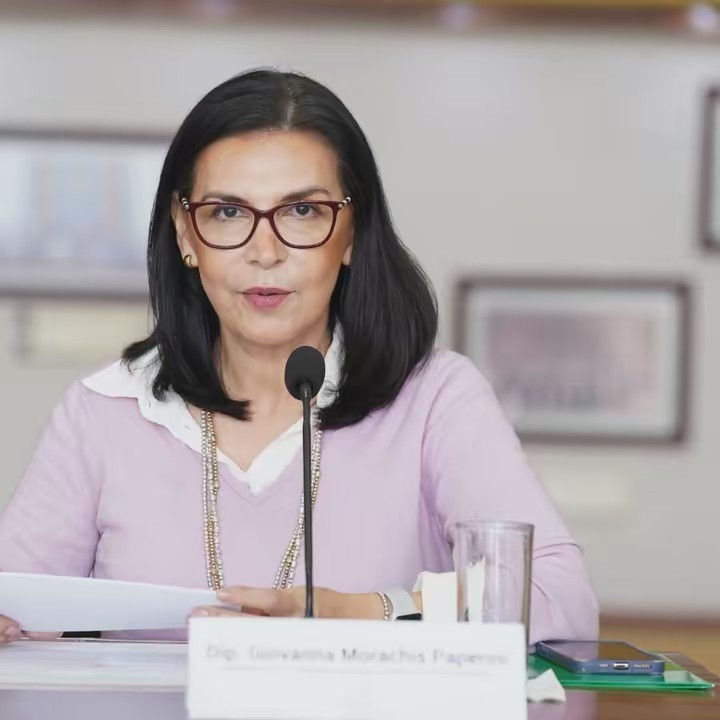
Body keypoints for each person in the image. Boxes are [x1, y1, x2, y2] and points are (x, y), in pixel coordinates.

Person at [0, 69, 598, 645]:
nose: (265, 251)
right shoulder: (105, 410)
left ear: (352, 233)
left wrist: (359, 612)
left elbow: (559, 599)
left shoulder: (435, 399)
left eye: (302, 211)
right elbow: (16, 604)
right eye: (228, 212)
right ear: (185, 233)